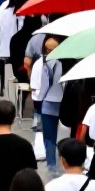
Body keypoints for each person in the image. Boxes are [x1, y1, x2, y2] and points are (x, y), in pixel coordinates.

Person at [30, 36, 65, 174]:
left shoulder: (47, 64)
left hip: (49, 102)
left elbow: (44, 85)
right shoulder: (65, 63)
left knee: (49, 137)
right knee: (62, 135)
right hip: (62, 101)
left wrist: (40, 98)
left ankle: (52, 164)